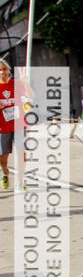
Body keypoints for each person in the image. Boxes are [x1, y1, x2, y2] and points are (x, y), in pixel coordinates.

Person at [0, 60, 28, 191]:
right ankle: (5, 173)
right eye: (0, 70)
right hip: (2, 127)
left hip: (19, 125)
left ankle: (20, 183)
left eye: (4, 69)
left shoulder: (16, 84)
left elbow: (29, 96)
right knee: (3, 158)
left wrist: (25, 82)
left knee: (21, 154)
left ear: (8, 71)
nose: (2, 72)